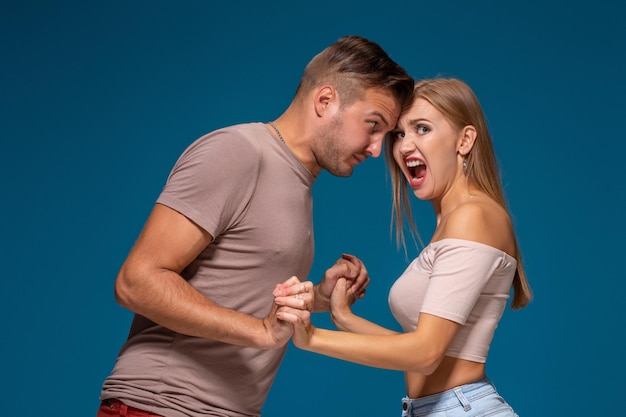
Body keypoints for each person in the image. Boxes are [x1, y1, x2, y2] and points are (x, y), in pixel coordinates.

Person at [96, 35, 414, 417]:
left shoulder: (296, 180)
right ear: (326, 100)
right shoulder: (238, 152)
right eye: (373, 125)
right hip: (161, 406)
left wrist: (319, 299)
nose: (378, 149)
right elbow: (137, 281)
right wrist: (260, 333)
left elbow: (234, 288)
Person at [275, 78, 533, 416]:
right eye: (399, 134)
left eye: (422, 129)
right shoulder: (455, 221)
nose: (404, 146)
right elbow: (422, 351)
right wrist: (342, 316)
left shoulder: (474, 217)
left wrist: (312, 338)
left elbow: (425, 354)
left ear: (465, 140)